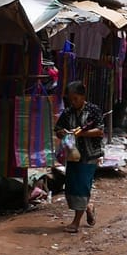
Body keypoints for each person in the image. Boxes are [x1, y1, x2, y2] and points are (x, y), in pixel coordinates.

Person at [55, 81, 105, 234]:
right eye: (71, 99)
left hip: (90, 154)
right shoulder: (68, 112)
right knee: (72, 186)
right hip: (73, 154)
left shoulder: (93, 110)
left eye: (75, 98)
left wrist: (81, 133)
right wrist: (63, 132)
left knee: (82, 185)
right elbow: (57, 129)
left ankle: (76, 222)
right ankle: (88, 207)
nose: (73, 102)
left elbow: (100, 131)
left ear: (83, 97)